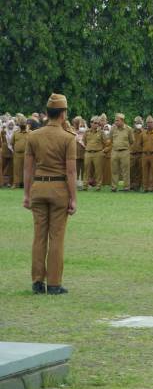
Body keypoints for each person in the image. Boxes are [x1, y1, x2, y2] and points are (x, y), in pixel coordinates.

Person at [23, 93, 77, 295]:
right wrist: (74, 198)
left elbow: (28, 169)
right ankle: (54, 283)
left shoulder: (33, 136)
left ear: (46, 113)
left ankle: (37, 281)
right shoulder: (67, 138)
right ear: (63, 114)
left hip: (38, 188)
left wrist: (27, 194)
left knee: (39, 237)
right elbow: (71, 172)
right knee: (56, 237)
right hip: (59, 190)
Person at [109, 113, 134, 192]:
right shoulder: (113, 129)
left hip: (124, 151)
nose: (116, 122)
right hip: (115, 151)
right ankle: (114, 187)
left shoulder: (128, 129)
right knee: (114, 170)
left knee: (125, 171)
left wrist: (125, 147)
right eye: (115, 120)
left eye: (117, 120)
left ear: (122, 121)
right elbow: (110, 139)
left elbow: (131, 141)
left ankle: (126, 187)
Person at [83, 117, 105, 191]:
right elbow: (84, 141)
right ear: (91, 123)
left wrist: (103, 150)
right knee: (86, 170)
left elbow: (105, 142)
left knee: (98, 171)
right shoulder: (86, 132)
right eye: (95, 123)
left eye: (98, 123)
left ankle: (98, 186)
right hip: (88, 153)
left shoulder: (101, 132)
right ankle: (85, 186)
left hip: (98, 153)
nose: (96, 125)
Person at [11, 114, 29, 188]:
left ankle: (25, 184)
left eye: (23, 123)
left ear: (26, 124)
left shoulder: (30, 133)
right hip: (17, 154)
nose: (22, 124)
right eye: (21, 123)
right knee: (16, 169)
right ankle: (16, 184)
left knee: (26, 169)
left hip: (27, 154)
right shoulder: (15, 133)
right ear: (19, 124)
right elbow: (12, 143)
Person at [130, 116, 144, 191]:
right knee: (131, 169)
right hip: (132, 153)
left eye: (139, 123)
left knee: (140, 170)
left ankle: (138, 185)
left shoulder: (144, 132)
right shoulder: (131, 132)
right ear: (134, 123)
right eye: (136, 123)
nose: (138, 124)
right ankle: (131, 185)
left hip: (141, 153)